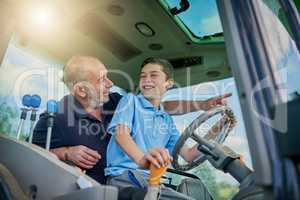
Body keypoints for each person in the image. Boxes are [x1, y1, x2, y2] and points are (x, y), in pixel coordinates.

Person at [32, 55, 231, 185]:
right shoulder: (55, 117)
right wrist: (66, 153)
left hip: (137, 182)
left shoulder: (116, 101)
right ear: (82, 90)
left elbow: (159, 108)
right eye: (102, 80)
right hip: (97, 188)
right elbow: (31, 157)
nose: (111, 84)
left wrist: (204, 106)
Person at [105, 58, 230, 199]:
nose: (146, 80)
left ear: (168, 83)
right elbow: (121, 135)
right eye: (143, 76)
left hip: (152, 180)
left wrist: (217, 128)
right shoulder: (131, 101)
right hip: (126, 177)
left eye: (153, 75)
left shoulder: (167, 120)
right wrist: (143, 161)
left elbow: (188, 155)